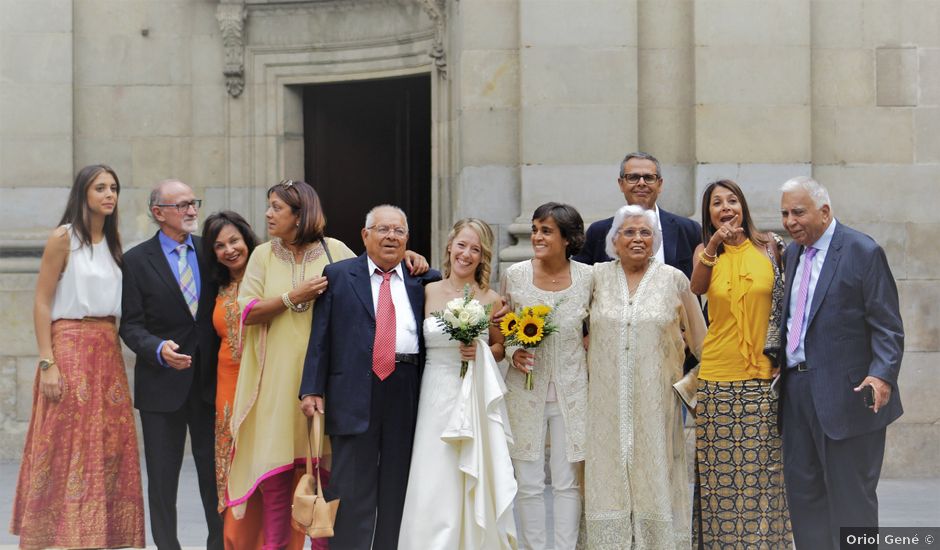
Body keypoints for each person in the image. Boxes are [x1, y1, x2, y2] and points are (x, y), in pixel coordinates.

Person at [11, 164, 146, 549]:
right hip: (69, 342)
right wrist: (46, 361)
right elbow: (41, 301)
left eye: (114, 188)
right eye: (100, 187)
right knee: (65, 443)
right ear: (83, 193)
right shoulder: (63, 238)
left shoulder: (115, 242)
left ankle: (98, 536)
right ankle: (60, 538)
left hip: (107, 348)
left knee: (107, 445)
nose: (109, 194)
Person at [299, 205, 440, 550]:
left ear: (408, 238)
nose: (391, 236)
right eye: (383, 229)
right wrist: (311, 389)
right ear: (365, 235)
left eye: (399, 231)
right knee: (350, 486)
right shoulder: (338, 275)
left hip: (406, 387)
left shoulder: (426, 279)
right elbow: (321, 337)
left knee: (398, 481)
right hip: (352, 389)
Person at [778, 176, 903, 549]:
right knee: (804, 500)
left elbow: (888, 327)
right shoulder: (791, 254)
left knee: (852, 506)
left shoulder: (862, 251)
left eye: (798, 212)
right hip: (797, 394)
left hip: (850, 396)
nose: (789, 221)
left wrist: (881, 377)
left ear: (825, 211)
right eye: (784, 213)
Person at [584, 205, 706, 549]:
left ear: (655, 240)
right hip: (605, 406)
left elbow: (704, 344)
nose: (637, 239)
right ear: (614, 241)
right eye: (629, 232)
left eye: (645, 233)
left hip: (659, 404)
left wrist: (688, 389)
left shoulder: (674, 279)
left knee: (658, 474)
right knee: (607, 476)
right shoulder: (595, 278)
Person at [399, 218, 517, 549]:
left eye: (475, 249)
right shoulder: (426, 290)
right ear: (449, 246)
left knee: (468, 469)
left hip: (472, 393)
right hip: (434, 391)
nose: (466, 254)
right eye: (461, 245)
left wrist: (479, 351)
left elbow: (500, 348)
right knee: (434, 468)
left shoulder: (492, 298)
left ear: (483, 257)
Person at [120, 179, 222, 550]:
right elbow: (130, 324)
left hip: (210, 383)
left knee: (214, 477)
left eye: (194, 202)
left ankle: (218, 545)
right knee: (162, 481)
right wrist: (158, 348)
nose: (192, 210)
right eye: (181, 205)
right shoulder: (134, 261)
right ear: (158, 212)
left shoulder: (211, 252)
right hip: (161, 387)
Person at [689, 180, 792, 548]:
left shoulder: (770, 246)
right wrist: (715, 244)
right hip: (717, 376)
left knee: (763, 472)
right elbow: (697, 288)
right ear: (709, 213)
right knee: (720, 474)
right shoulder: (706, 250)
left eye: (732, 200)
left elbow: (788, 306)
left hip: (764, 375)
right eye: (717, 203)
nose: (725, 207)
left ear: (743, 206)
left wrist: (785, 355)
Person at [500, 202, 591, 550]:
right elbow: (503, 328)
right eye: (536, 229)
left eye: (546, 230)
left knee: (568, 482)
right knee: (528, 481)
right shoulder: (516, 275)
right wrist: (513, 351)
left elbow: (596, 326)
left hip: (573, 390)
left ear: (567, 238)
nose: (537, 236)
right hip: (525, 391)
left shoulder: (588, 278)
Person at [200, 211, 266, 549]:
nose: (229, 250)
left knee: (266, 463)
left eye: (234, 241)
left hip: (264, 383)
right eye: (220, 245)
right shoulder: (215, 286)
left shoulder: (268, 275)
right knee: (233, 463)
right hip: (227, 387)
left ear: (247, 239)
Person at [572, 151, 701, 278]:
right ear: (621, 184)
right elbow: (578, 281)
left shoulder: (689, 230)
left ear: (660, 184)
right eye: (633, 177)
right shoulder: (598, 232)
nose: (641, 183)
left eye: (648, 178)